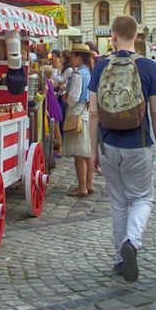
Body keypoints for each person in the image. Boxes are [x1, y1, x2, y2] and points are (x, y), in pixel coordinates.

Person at [88, 15, 156, 282]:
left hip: (108, 144)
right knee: (142, 198)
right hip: (138, 144)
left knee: (119, 202)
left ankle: (119, 258)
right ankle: (132, 242)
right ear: (137, 36)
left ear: (112, 37)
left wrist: (92, 151)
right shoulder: (148, 67)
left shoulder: (101, 66)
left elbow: (92, 113)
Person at [63, 44, 95, 196]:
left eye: (72, 56)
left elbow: (74, 98)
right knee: (87, 153)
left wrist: (66, 99)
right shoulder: (88, 72)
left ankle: (82, 187)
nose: (71, 59)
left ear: (78, 57)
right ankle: (89, 184)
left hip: (77, 115)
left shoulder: (77, 74)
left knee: (79, 155)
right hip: (87, 115)